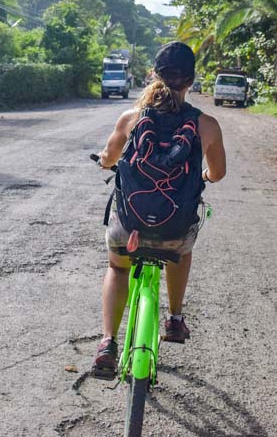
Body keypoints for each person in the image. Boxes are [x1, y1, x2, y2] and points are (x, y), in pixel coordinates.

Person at [92, 41, 226, 378]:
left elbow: (108, 158)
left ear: (154, 74)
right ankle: (176, 319)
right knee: (181, 250)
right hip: (175, 229)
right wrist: (204, 175)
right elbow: (218, 173)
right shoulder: (205, 124)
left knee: (118, 268)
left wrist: (107, 164)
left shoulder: (132, 118)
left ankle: (108, 343)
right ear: (191, 81)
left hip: (129, 228)